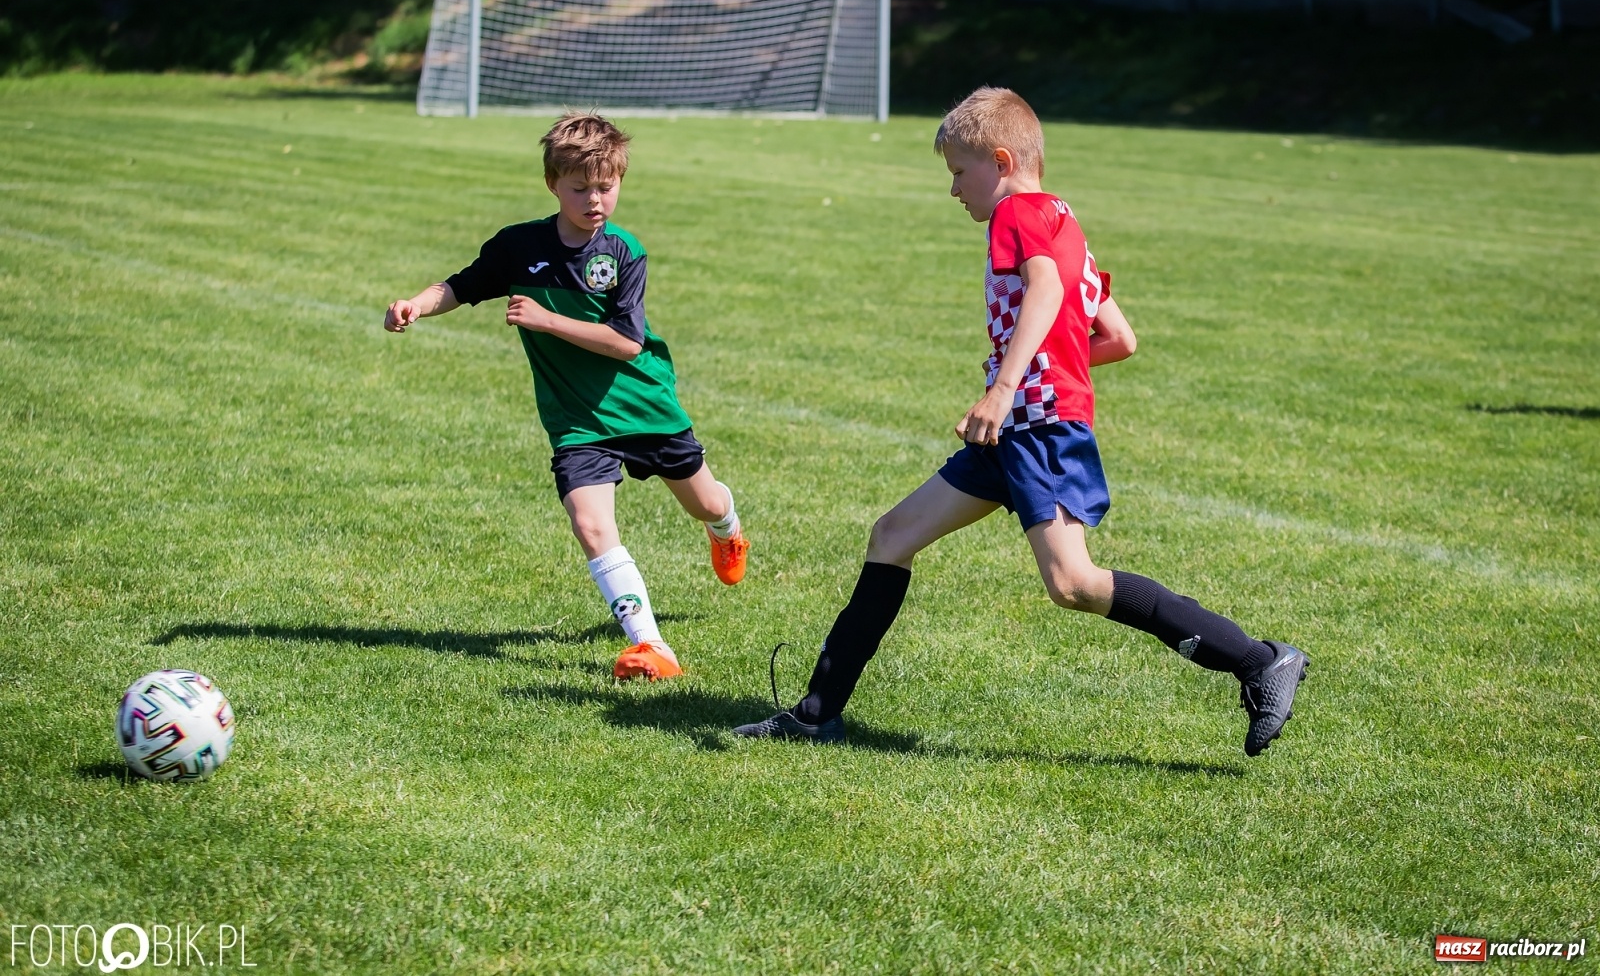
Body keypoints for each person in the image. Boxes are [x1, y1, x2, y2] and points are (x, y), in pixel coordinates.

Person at [734, 87, 1306, 755]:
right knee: (892, 535)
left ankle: (1259, 659)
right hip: (1016, 429)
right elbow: (1119, 337)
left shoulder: (1016, 213)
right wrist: (1037, 375)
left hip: (1034, 428)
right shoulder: (1065, 221)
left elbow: (1047, 290)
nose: (954, 190)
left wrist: (1006, 387)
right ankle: (815, 712)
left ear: (1001, 160)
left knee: (1075, 583)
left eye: (957, 171)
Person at [384, 112, 748, 681]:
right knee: (590, 524)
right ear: (553, 184)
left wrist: (548, 320)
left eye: (607, 186)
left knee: (704, 503)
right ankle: (651, 646)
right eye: (580, 188)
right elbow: (461, 285)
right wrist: (416, 303)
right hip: (577, 419)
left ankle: (727, 530)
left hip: (644, 405)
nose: (595, 199)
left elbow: (627, 344)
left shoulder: (625, 251)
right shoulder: (518, 246)